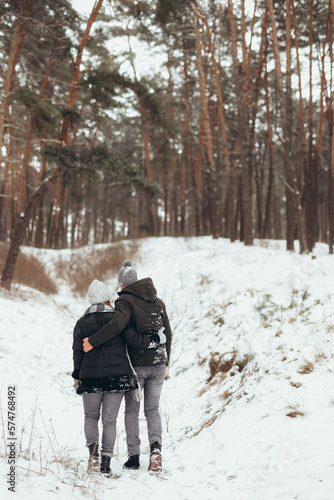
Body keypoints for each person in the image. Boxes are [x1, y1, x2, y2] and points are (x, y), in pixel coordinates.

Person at [82, 260, 172, 473]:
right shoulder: (158, 302)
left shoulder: (124, 302)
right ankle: (156, 451)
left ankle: (133, 457)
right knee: (152, 409)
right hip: (158, 362)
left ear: (122, 284)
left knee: (131, 412)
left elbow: (116, 326)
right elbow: (168, 332)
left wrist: (93, 340)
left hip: (137, 366)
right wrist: (166, 360)